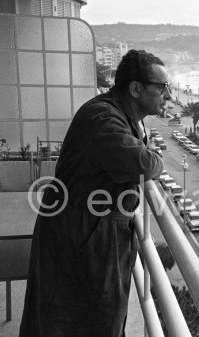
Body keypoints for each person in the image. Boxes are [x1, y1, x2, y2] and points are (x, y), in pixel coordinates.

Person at [20, 50, 168, 336]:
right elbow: (145, 164)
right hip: (82, 236)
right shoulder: (103, 118)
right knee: (76, 321)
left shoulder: (116, 113)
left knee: (86, 319)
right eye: (162, 88)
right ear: (136, 88)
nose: (168, 95)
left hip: (88, 231)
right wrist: (154, 155)